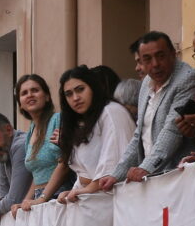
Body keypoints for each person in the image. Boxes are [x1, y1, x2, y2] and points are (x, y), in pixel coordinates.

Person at [102, 31, 195, 188]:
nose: (155, 64)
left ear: (173, 54)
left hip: (179, 178)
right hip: (151, 180)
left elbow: (172, 131)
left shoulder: (188, 79)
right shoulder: (146, 83)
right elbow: (139, 135)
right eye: (147, 59)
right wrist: (116, 175)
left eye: (161, 56)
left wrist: (146, 168)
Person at [56, 66, 136, 204]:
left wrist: (88, 189)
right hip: (92, 201)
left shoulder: (111, 111)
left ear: (93, 87)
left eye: (80, 89)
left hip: (114, 200)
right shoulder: (85, 122)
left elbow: (114, 162)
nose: (75, 98)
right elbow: (83, 171)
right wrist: (75, 190)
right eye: (68, 94)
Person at [13, 74, 69, 211]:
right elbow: (37, 175)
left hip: (59, 198)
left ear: (47, 97)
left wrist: (42, 198)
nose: (30, 95)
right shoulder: (30, 131)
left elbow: (65, 163)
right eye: (24, 93)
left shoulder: (58, 120)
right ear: (20, 104)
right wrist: (26, 201)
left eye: (35, 90)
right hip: (41, 200)